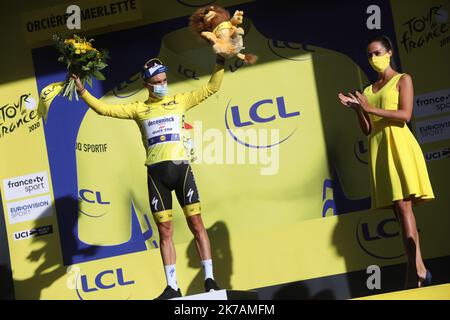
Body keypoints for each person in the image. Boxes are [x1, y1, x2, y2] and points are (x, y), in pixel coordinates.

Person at [72, 53, 226, 299]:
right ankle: (172, 287)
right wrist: (82, 91)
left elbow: (212, 87)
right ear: (147, 84)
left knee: (196, 224)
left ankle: (209, 279)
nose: (163, 84)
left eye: (165, 80)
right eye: (158, 81)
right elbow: (104, 110)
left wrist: (220, 62)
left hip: (181, 170)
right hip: (157, 175)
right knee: (164, 231)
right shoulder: (138, 109)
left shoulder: (180, 100)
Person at [337, 35, 434, 289]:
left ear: (389, 52)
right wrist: (359, 109)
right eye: (369, 55)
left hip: (399, 145)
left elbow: (405, 114)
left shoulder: (403, 80)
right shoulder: (369, 90)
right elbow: (368, 130)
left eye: (377, 52)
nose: (373, 59)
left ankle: (415, 271)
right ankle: (418, 269)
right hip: (380, 149)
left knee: (404, 207)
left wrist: (369, 108)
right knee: (398, 210)